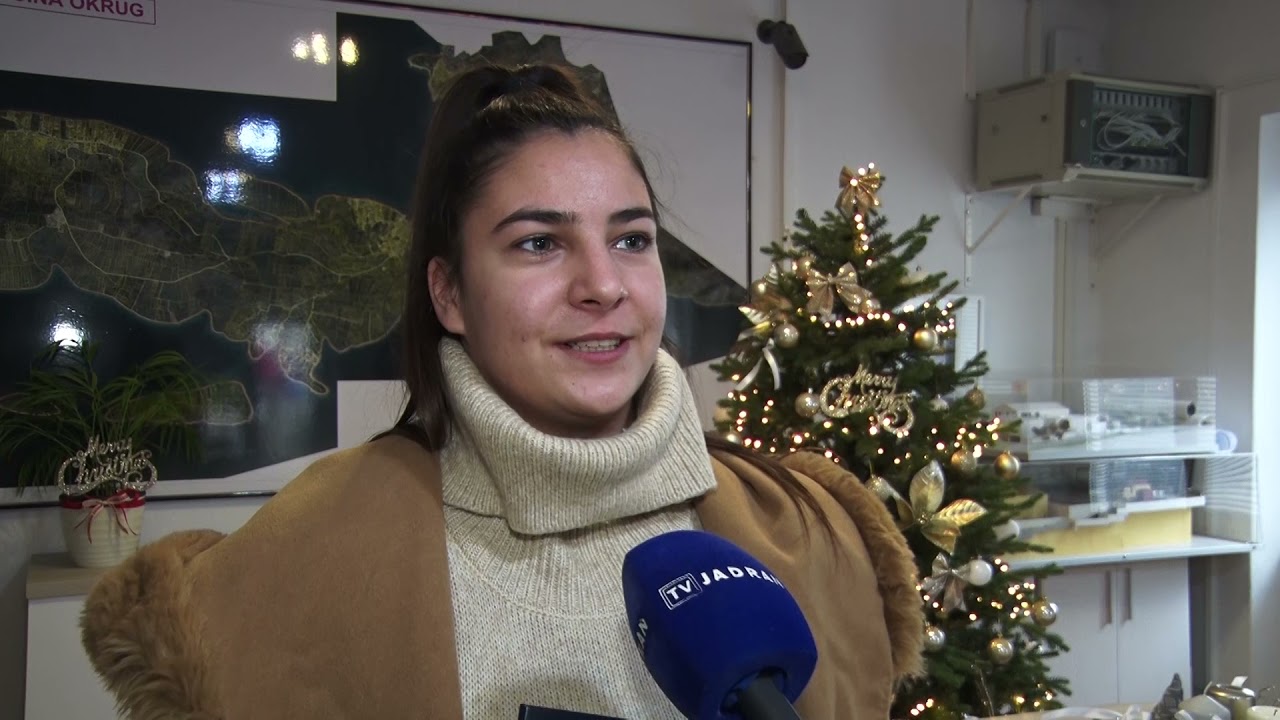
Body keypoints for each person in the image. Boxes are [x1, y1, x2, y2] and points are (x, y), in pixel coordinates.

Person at [80, 63, 924, 719]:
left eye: (632, 239)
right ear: (449, 294)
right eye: (538, 244)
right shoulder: (302, 560)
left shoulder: (812, 532)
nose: (604, 285)